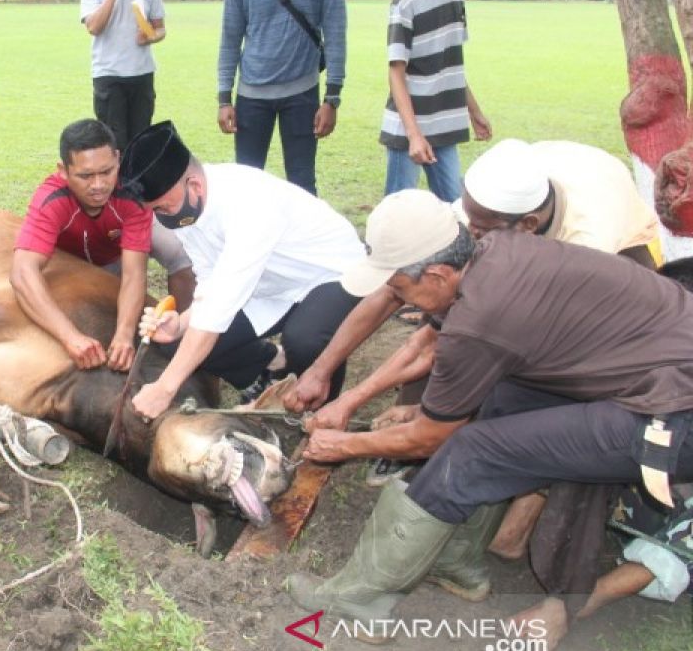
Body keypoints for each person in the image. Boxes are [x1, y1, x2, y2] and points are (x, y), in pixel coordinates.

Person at [285, 190, 693, 649]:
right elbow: (453, 382)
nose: (399, 302)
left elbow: (431, 438)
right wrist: (422, 410)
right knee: (500, 402)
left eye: (400, 290)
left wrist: (342, 445)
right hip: (659, 371)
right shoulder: (499, 251)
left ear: (438, 274)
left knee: (471, 450)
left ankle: (359, 600)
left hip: (670, 414)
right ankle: (458, 563)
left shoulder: (478, 320)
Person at [283, 138, 662, 454]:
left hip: (623, 259)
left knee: (510, 357)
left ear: (528, 227)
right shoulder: (488, 208)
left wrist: (365, 415)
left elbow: (457, 340)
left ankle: (449, 435)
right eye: (470, 223)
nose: (472, 233)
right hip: (554, 183)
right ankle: (410, 435)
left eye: (480, 230)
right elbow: (392, 292)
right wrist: (321, 372)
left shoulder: (589, 242)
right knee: (448, 316)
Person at [118, 121, 365, 417]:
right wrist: (181, 324)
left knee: (305, 340)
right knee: (180, 343)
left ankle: (322, 413)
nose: (160, 217)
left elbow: (219, 307)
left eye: (162, 208)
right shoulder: (185, 210)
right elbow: (211, 281)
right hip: (267, 285)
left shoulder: (248, 203)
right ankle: (271, 368)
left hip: (329, 273)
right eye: (154, 210)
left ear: (194, 186)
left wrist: (164, 389)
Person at [11, 118, 195, 371]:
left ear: (118, 159)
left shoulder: (131, 192)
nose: (98, 185)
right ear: (63, 171)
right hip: (74, 260)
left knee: (180, 255)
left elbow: (134, 274)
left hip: (117, 251)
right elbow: (22, 272)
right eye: (85, 176)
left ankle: (186, 335)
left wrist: (124, 334)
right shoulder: (51, 199)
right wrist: (70, 338)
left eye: (107, 171)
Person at [217, 0, 345, 195]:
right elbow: (230, 41)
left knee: (302, 183)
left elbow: (336, 38)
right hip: (251, 95)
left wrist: (332, 99)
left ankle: (304, 243)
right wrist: (224, 99)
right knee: (247, 183)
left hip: (302, 95)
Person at [380, 0, 491, 202]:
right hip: (408, 127)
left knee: (455, 206)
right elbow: (396, 72)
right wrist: (414, 134)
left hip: (445, 122)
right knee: (399, 209)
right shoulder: (406, 2)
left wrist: (474, 111)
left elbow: (449, 64)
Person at [79, 0, 165, 150]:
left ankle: (138, 184)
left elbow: (160, 29)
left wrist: (151, 37)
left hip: (141, 73)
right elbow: (94, 27)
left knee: (142, 139)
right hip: (109, 75)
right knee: (113, 142)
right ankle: (116, 185)